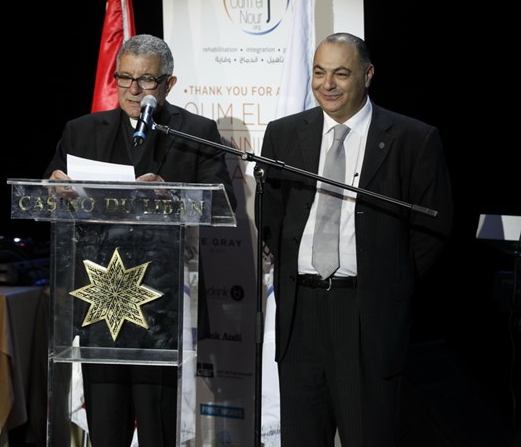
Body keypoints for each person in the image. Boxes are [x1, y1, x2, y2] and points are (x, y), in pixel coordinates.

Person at [256, 32, 453, 447]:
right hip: (300, 316)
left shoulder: (411, 138)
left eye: (341, 74)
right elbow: (271, 214)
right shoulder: (284, 134)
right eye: (319, 72)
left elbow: (433, 228)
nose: (327, 84)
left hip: (366, 315)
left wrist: (391, 281)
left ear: (368, 75)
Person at [45, 33, 236, 447]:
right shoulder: (82, 131)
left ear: (169, 83)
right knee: (106, 425)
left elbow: (223, 205)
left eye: (146, 80)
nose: (133, 89)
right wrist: (54, 186)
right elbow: (48, 192)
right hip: (99, 298)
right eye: (125, 78)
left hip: (163, 306)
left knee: (157, 428)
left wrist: (172, 195)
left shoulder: (196, 132)